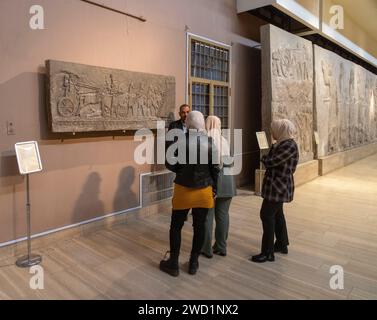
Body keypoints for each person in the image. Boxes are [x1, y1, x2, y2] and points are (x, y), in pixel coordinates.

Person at [160, 111, 220, 276]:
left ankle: (173, 263)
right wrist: (215, 188)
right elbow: (216, 168)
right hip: (204, 190)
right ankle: (193, 262)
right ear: (201, 123)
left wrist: (181, 170)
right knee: (199, 227)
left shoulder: (180, 141)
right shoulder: (210, 142)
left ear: (188, 123)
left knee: (176, 226)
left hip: (183, 190)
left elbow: (169, 164)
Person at [251, 119, 299, 263]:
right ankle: (282, 244)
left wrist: (266, 158)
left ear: (281, 130)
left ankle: (267, 252)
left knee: (266, 215)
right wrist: (269, 155)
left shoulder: (289, 145)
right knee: (277, 215)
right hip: (277, 186)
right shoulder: (282, 143)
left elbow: (271, 161)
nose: (272, 132)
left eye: (274, 130)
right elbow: (271, 159)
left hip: (278, 187)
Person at [201, 116, 236, 258]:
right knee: (223, 216)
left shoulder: (204, 142)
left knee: (207, 216)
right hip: (227, 180)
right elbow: (230, 162)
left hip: (210, 182)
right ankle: (221, 247)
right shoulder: (224, 141)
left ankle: (206, 248)